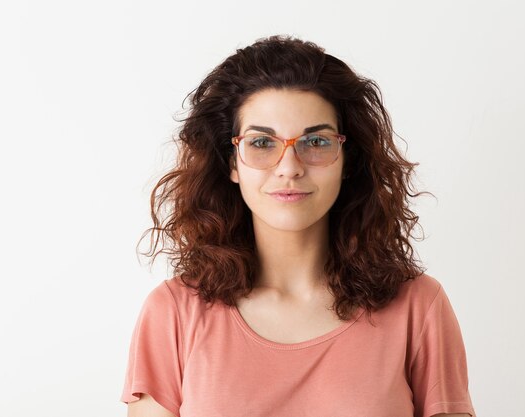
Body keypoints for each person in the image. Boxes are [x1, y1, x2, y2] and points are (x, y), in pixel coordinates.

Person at [120, 35, 476, 417]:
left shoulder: (418, 307)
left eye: (316, 141)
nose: (289, 166)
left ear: (347, 159)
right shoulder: (173, 313)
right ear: (232, 163)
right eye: (261, 143)